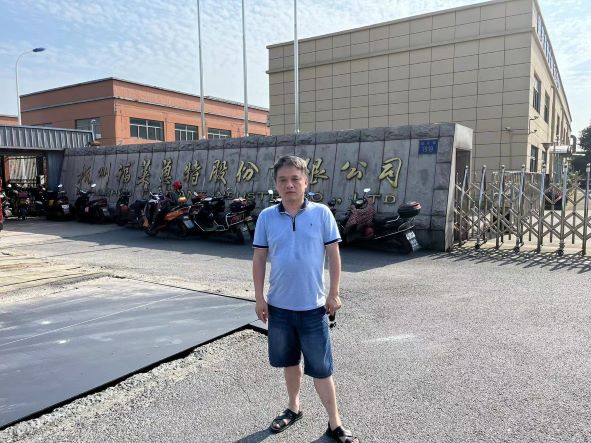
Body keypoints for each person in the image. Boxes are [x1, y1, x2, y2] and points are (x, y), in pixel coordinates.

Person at [252, 155, 360, 443]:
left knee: (322, 369)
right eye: (283, 180)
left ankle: (335, 423)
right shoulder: (266, 217)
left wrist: (334, 293)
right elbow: (259, 258)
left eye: (295, 179)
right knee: (289, 362)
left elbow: (334, 255)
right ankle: (294, 407)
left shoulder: (322, 214)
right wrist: (259, 298)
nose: (289, 185)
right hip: (279, 308)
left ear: (306, 182)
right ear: (276, 185)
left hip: (313, 308)